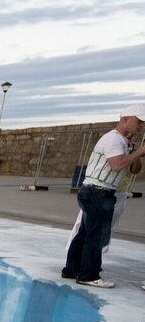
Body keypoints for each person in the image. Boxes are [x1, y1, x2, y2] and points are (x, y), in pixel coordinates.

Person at [62, 110, 145, 287]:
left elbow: (134, 169)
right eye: (139, 121)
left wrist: (136, 151)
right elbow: (116, 165)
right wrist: (139, 152)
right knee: (97, 235)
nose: (141, 126)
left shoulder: (123, 142)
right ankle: (88, 275)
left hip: (95, 191)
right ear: (125, 119)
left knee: (85, 232)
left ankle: (72, 269)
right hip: (99, 191)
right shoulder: (114, 139)